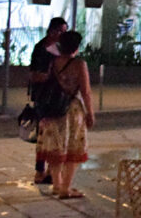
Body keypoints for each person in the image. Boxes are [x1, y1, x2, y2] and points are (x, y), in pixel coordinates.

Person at [36, 31, 94, 199]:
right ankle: (65, 188)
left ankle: (57, 185)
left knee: (55, 148)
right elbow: (86, 91)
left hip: (53, 109)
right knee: (73, 149)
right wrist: (90, 113)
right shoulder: (79, 64)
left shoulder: (52, 62)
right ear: (76, 47)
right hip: (72, 110)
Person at [29, 17, 67, 185]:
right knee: (44, 135)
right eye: (61, 31)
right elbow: (35, 74)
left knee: (55, 136)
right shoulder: (41, 49)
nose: (63, 35)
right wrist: (51, 74)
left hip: (59, 97)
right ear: (53, 31)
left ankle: (51, 171)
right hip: (44, 97)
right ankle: (40, 171)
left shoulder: (60, 49)